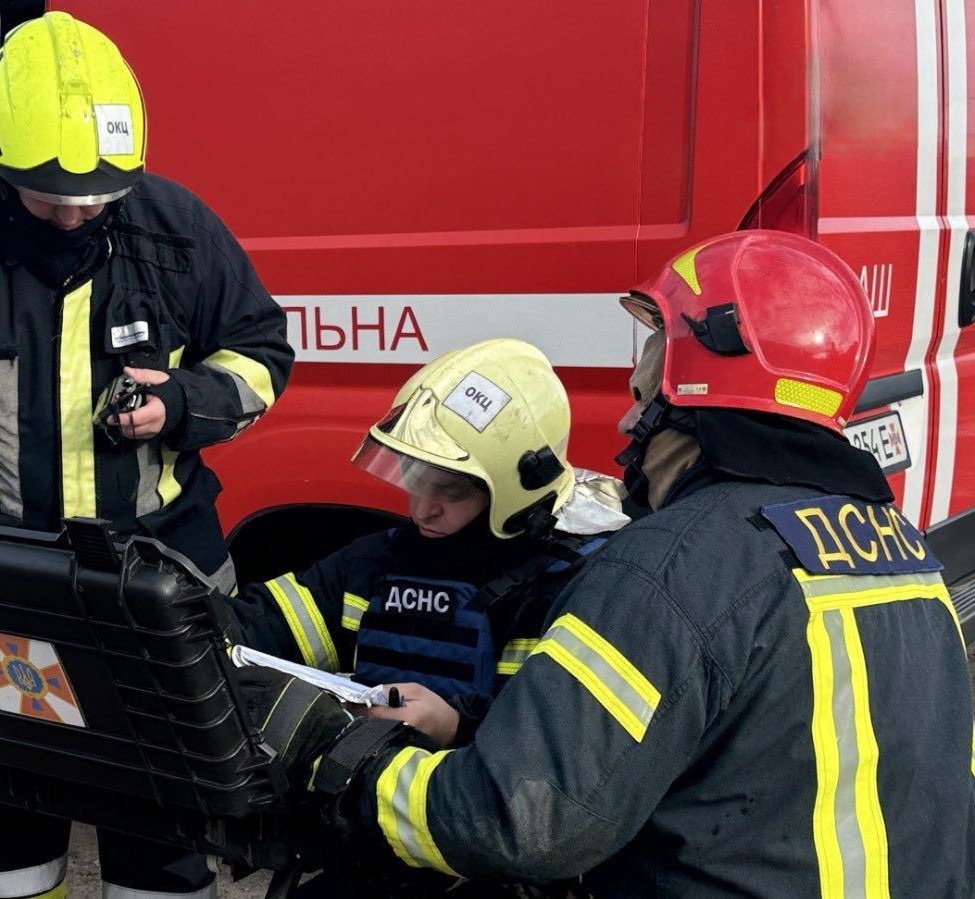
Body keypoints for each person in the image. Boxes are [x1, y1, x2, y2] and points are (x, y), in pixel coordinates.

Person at [243, 230, 975, 896]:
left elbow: (521, 819)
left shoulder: (666, 568)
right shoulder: (904, 555)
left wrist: (342, 763)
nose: (629, 408)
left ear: (690, 374)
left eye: (653, 346)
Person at [0, 11, 292, 899]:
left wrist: (181, 403)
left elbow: (261, 354)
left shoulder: (177, 230)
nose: (77, 210)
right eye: (51, 194)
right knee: (9, 833)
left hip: (163, 578)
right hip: (9, 581)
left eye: (97, 193)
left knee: (166, 833)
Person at [223, 338, 624, 896]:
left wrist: (453, 724)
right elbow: (266, 625)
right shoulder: (381, 559)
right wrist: (180, 618)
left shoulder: (569, 586)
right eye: (415, 476)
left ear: (512, 487)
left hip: (494, 857)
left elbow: (565, 758)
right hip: (374, 825)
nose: (421, 507)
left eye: (451, 489)